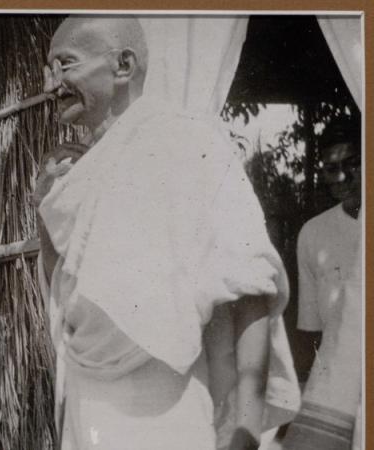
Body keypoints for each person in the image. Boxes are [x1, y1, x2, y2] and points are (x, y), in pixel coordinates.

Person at [33, 16, 299, 450]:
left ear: (123, 65)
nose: (51, 84)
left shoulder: (191, 143)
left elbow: (249, 287)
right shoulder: (77, 173)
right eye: (49, 68)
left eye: (65, 64)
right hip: (88, 406)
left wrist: (245, 430)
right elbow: (65, 294)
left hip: (166, 412)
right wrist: (46, 216)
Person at [281, 121, 363, 450]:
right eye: (332, 168)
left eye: (353, 164)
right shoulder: (314, 234)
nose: (342, 177)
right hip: (338, 391)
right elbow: (311, 331)